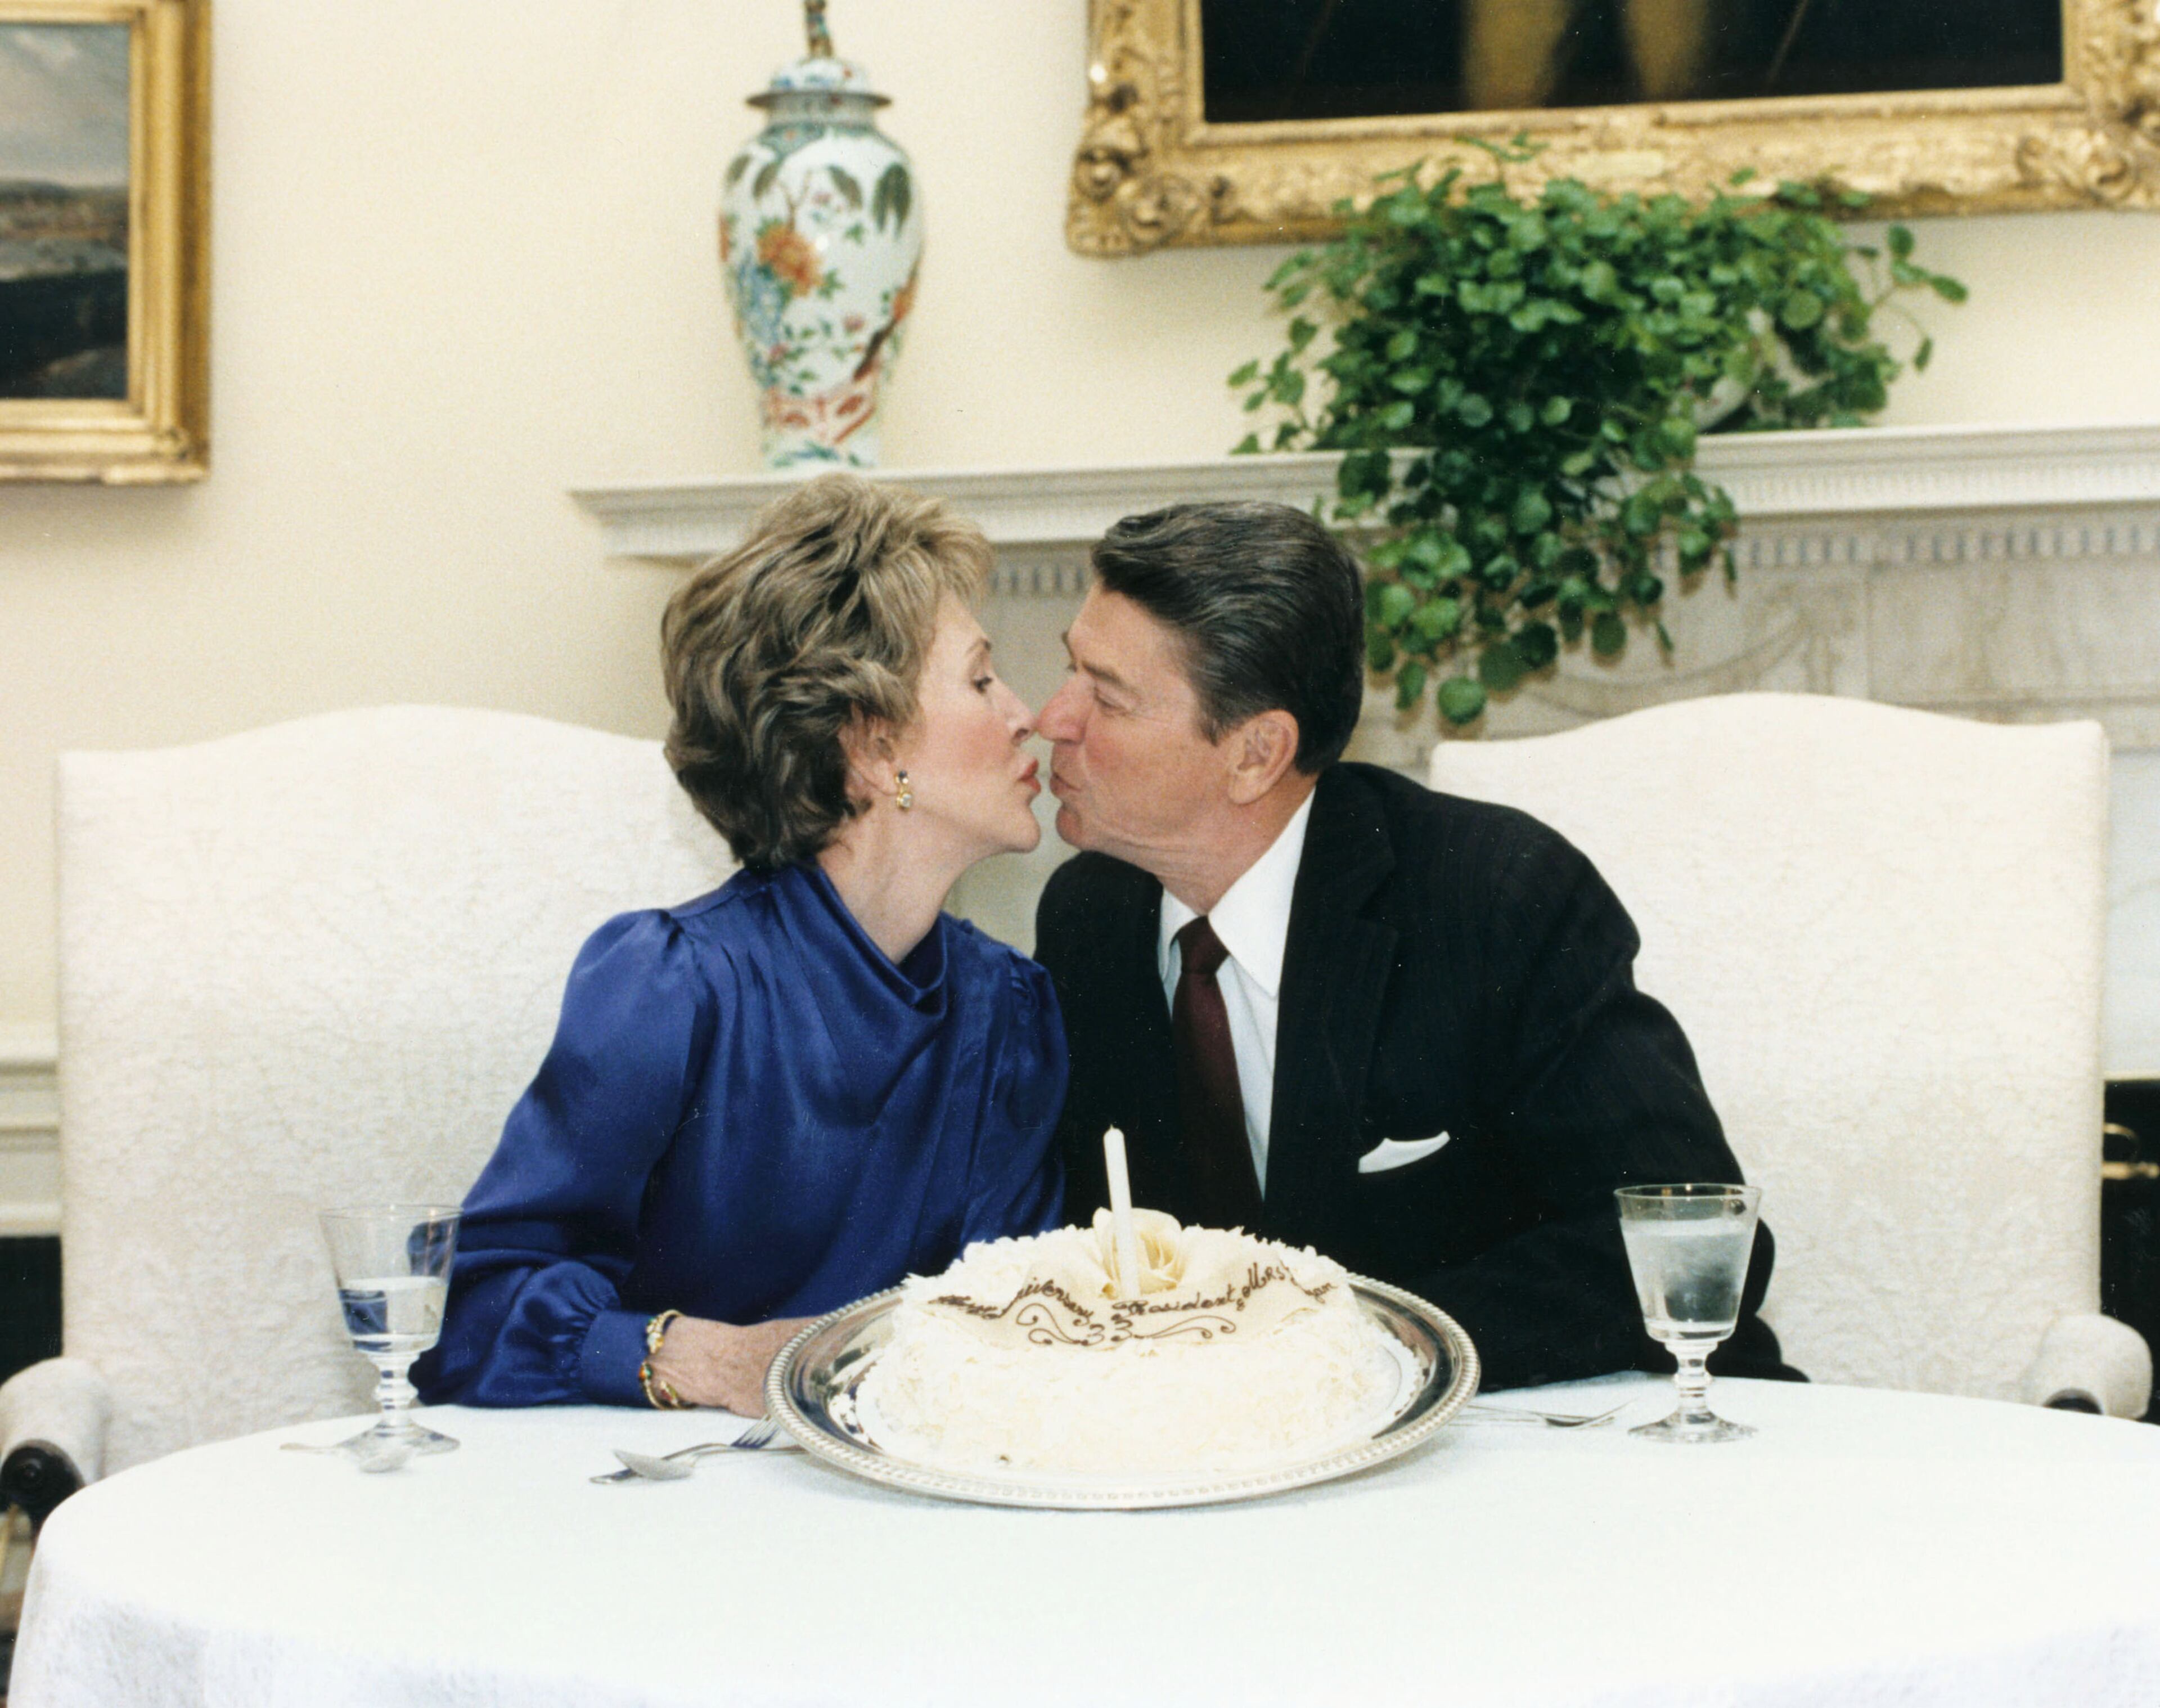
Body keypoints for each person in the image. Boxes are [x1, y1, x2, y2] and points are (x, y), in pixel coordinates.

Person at [1033, 501, 1796, 1391]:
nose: (1054, 718)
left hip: (1572, 1434)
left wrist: (1360, 1356)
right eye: (1068, 670)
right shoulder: (1090, 918)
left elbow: (1687, 1237)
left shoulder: (1495, 898)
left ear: (1256, 754)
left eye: (1107, 696)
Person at [417, 475, 1066, 1415]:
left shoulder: (1011, 1013)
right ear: (874, 750)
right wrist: (711, 1362)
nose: (1025, 713)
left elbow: (1011, 1330)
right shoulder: (671, 987)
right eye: (979, 679)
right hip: (652, 1516)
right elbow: (467, 1307)